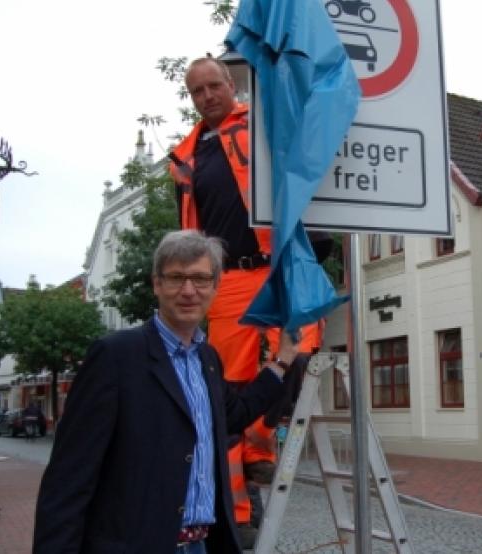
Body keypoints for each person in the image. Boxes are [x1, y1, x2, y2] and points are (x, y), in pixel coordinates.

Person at [33, 230, 299, 554]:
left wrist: (282, 360)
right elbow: (68, 478)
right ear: (157, 284)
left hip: (201, 545)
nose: (189, 290)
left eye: (201, 279)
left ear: (216, 286)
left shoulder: (208, 359)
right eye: (176, 278)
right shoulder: (116, 356)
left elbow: (234, 414)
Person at [169, 55, 324, 541]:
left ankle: (261, 447)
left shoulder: (263, 124)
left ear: (230, 84)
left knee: (301, 348)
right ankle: (238, 509)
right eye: (198, 91)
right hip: (227, 279)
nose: (208, 96)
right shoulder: (186, 155)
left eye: (214, 85)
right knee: (228, 386)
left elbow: (305, 166)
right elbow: (186, 220)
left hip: (275, 265)